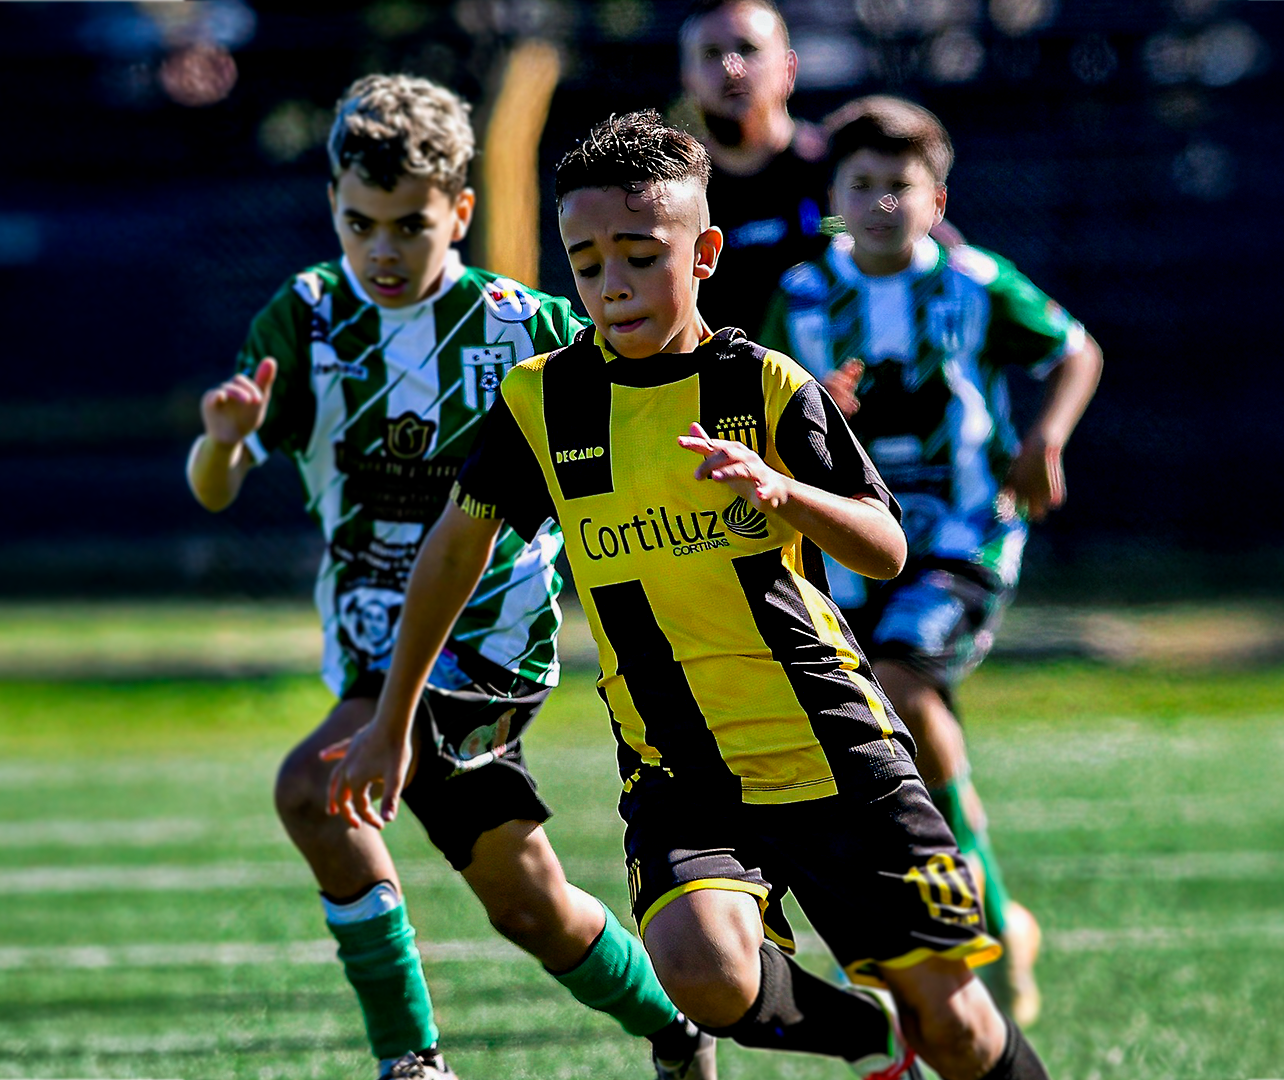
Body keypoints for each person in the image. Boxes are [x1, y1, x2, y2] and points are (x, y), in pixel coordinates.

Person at [327, 111, 1051, 1080]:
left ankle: (919, 1029)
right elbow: (453, 554)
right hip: (680, 770)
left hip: (834, 747)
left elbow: (885, 548)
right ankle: (868, 1039)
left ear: (705, 253)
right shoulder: (545, 402)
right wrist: (392, 719)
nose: (612, 286)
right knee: (701, 974)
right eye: (587, 264)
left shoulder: (767, 386)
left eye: (640, 256)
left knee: (956, 1025)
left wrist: (784, 494)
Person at [186, 75, 713, 1080]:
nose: (382, 251)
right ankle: (677, 1032)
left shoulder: (525, 327)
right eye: (359, 224)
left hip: (490, 645)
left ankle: (411, 1062)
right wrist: (222, 443)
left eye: (410, 227)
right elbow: (213, 488)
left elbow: (646, 389)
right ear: (333, 206)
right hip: (370, 647)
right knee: (530, 907)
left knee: (312, 787)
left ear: (460, 212)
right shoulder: (306, 321)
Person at [757, 95, 1106, 1027]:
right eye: (861, 184)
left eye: (899, 186)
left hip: (964, 532)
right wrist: (810, 417)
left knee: (904, 688)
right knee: (881, 724)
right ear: (833, 199)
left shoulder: (978, 282)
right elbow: (762, 410)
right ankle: (981, 924)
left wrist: (1046, 438)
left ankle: (978, 921)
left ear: (936, 198)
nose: (880, 203)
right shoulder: (799, 297)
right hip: (851, 546)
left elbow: (1076, 351)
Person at [677, 0, 830, 338]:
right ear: (688, 80)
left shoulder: (842, 172)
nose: (732, 68)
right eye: (711, 54)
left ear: (789, 69)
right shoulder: (671, 194)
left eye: (748, 49)